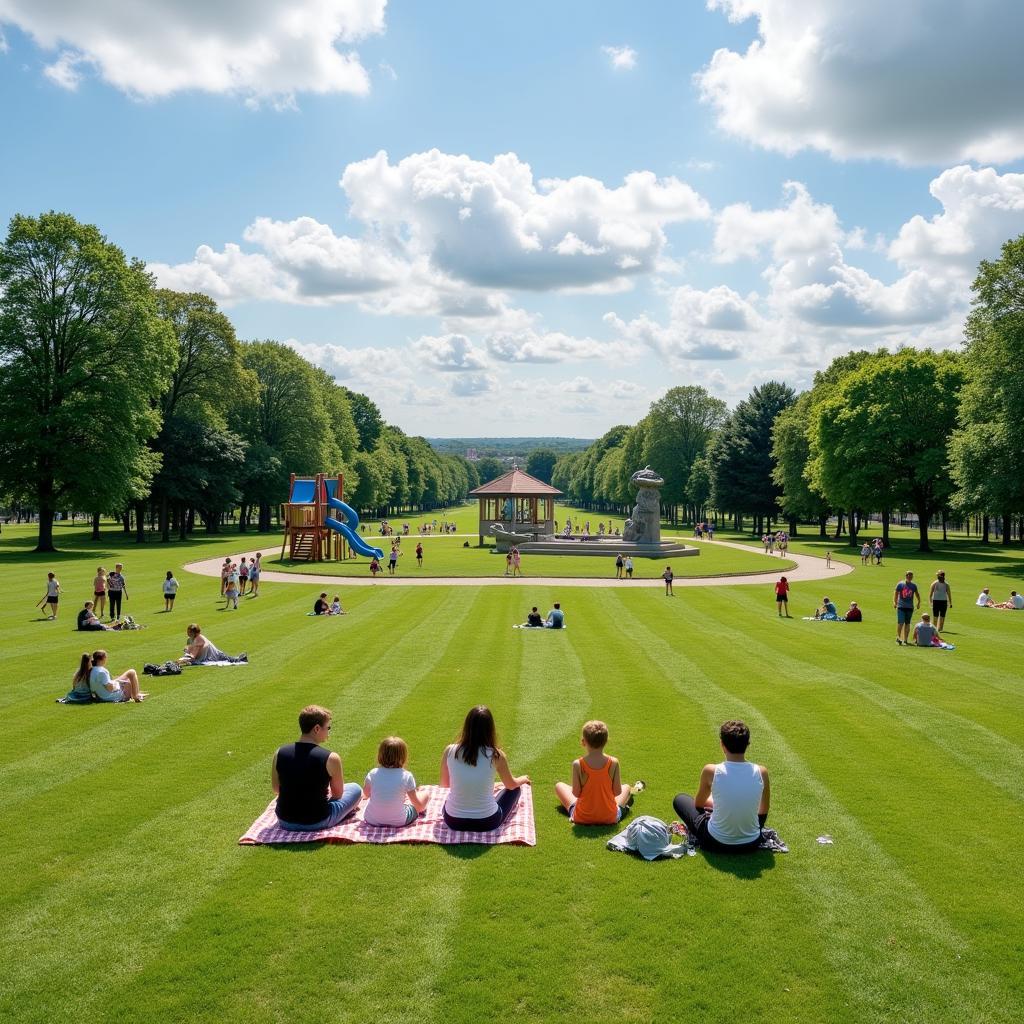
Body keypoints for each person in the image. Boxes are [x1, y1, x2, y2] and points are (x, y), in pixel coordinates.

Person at [672, 720, 769, 854]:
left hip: (715, 842)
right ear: (747, 744)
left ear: (722, 745)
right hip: (751, 842)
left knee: (680, 799)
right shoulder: (761, 772)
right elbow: (763, 811)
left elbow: (698, 804)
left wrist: (714, 801)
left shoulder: (711, 771)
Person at [439, 706, 530, 832]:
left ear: (467, 727)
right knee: (515, 790)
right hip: (487, 821)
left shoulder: (450, 751)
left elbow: (444, 784)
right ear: (490, 729)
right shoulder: (496, 755)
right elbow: (511, 785)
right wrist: (522, 779)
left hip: (454, 821)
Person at [272, 705, 362, 831]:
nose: (329, 731)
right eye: (328, 728)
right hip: (318, 820)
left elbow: (276, 789)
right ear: (317, 729)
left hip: (285, 820)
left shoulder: (279, 752)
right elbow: (337, 794)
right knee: (355, 789)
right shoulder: (331, 758)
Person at [554, 720, 642, 825]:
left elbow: (576, 793)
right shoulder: (613, 762)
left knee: (559, 786)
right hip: (609, 817)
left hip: (582, 817)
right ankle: (627, 793)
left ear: (583, 742)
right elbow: (617, 792)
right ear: (606, 741)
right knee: (626, 787)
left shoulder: (578, 764)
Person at [362, 736, 428, 827]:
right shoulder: (406, 776)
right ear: (403, 756)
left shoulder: (373, 773)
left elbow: (365, 794)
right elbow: (418, 806)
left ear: (380, 755)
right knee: (425, 794)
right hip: (399, 821)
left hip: (371, 819)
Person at [178, 623, 247, 665]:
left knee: (230, 659)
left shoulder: (199, 639)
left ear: (195, 633)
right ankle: (240, 658)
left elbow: (192, 656)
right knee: (228, 658)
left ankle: (241, 659)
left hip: (214, 655)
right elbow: (188, 650)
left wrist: (181, 661)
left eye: (189, 632)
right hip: (211, 655)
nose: (188, 633)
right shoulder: (190, 639)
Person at [894, 570, 920, 645]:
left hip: (909, 607)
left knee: (907, 623)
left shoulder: (914, 586)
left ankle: (905, 639)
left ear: (912, 577)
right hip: (901, 606)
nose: (909, 577)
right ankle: (898, 638)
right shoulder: (900, 584)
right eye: (908, 575)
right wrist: (895, 602)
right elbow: (895, 593)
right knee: (900, 623)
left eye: (911, 576)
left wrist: (918, 602)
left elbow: (917, 594)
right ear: (905, 576)